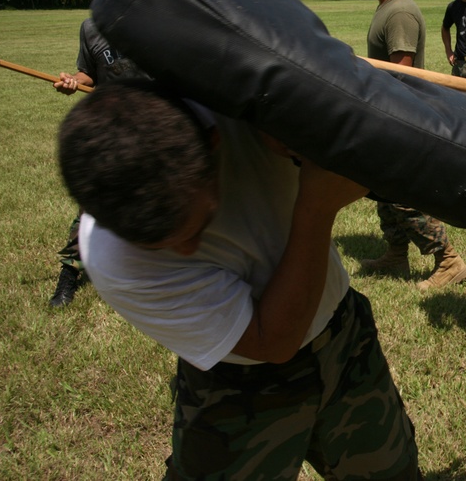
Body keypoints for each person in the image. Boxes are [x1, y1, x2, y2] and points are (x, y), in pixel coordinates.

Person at [58, 79, 423, 480]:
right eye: (161, 246)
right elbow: (272, 341)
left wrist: (301, 128)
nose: (186, 251)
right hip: (237, 386)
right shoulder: (114, 259)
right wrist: (316, 207)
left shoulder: (245, 105)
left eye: (195, 229)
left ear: (215, 145)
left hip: (342, 336)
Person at [355, 0, 466, 291]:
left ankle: (449, 260)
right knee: (381, 189)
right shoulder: (387, 8)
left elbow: (400, 73)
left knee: (403, 194)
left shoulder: (399, 13)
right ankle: (396, 253)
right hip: (386, 115)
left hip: (399, 115)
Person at [48, 17, 147, 307]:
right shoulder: (92, 28)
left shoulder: (157, 21)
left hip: (151, 124)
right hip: (109, 124)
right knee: (91, 204)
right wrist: (73, 82)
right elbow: (87, 73)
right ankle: (69, 273)